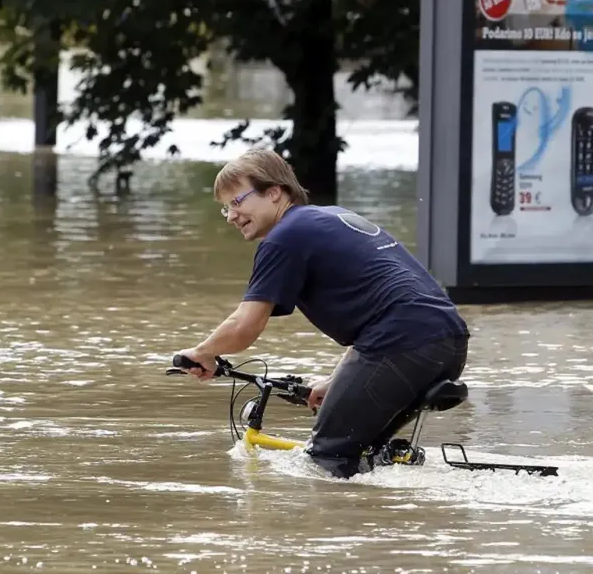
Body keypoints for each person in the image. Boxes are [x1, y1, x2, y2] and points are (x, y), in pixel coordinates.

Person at [173, 148, 470, 478]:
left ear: (274, 192)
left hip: (402, 344)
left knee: (325, 459)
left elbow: (245, 325)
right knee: (365, 454)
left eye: (237, 201)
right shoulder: (330, 219)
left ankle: (335, 526)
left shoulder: (284, 238)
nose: (230, 215)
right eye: (225, 208)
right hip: (448, 341)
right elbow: (389, 308)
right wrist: (338, 380)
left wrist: (202, 353)